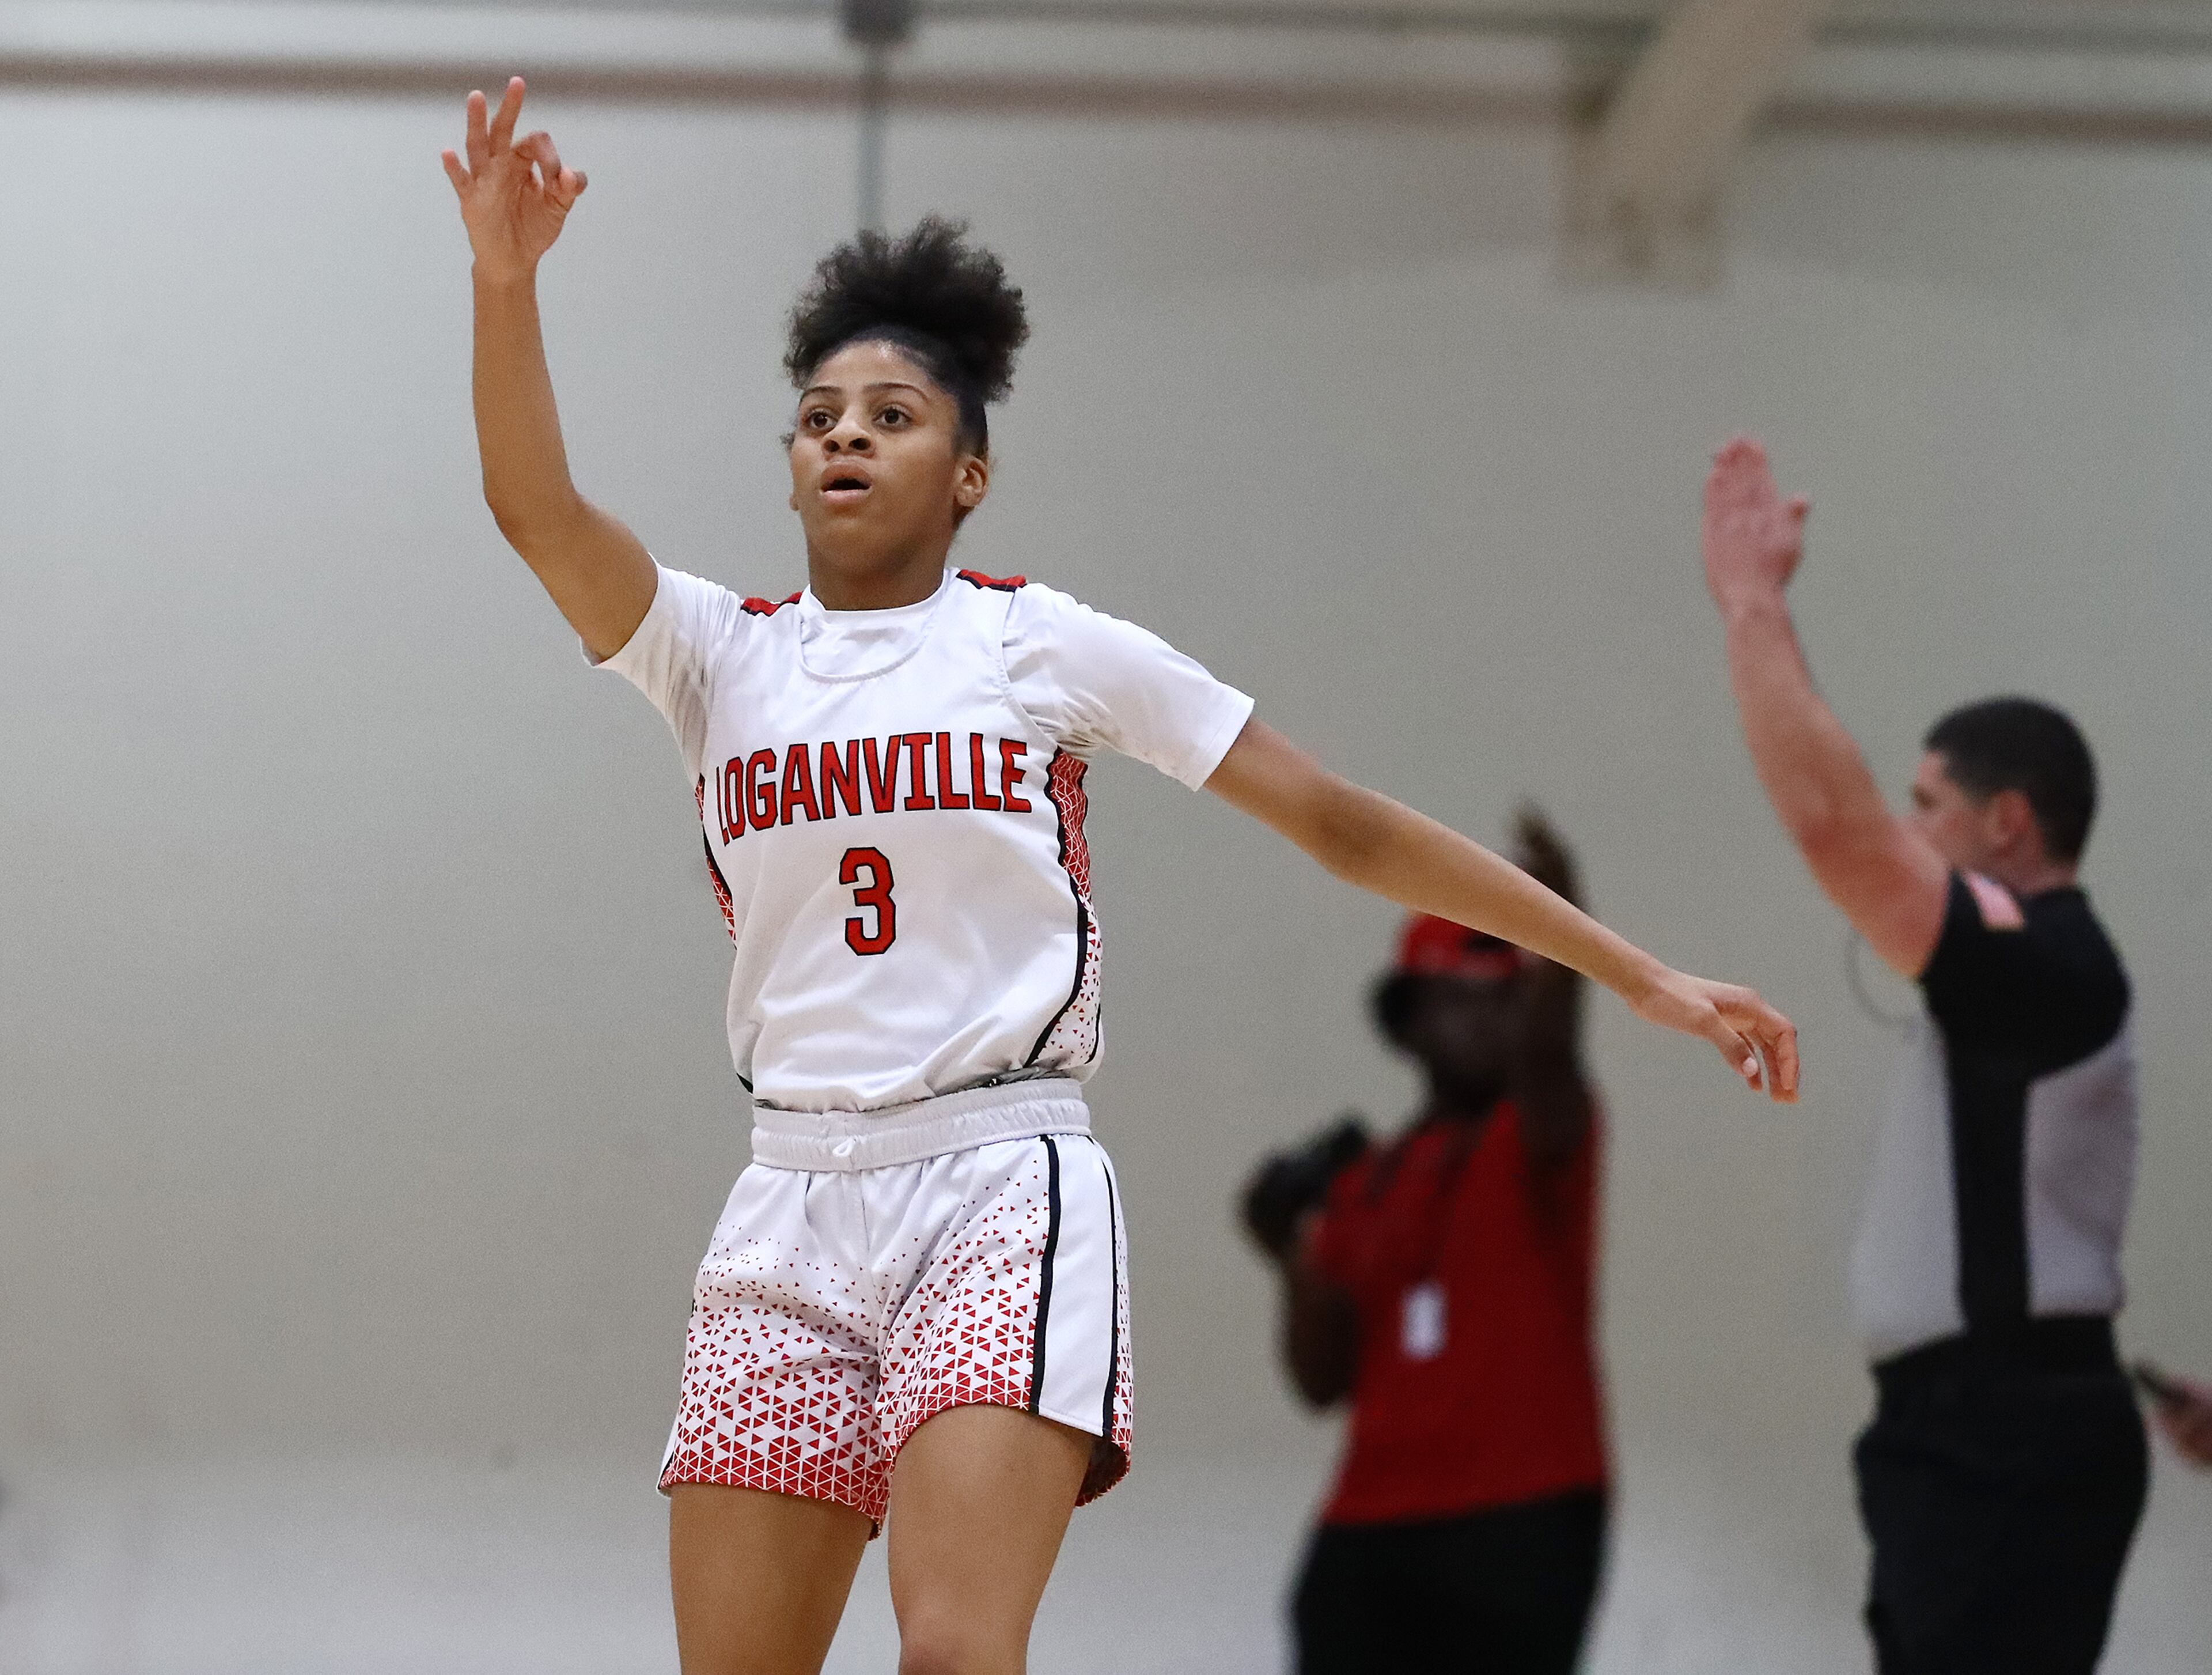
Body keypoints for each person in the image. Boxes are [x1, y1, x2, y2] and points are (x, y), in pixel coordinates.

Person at [439, 78, 1800, 1675]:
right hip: (787, 1194)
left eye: (893, 415)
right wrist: (505, 282)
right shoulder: (716, 655)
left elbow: (1340, 818)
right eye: (819, 418)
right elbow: (534, 507)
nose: (847, 438)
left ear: (971, 472)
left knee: (952, 1651)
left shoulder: (1037, 642)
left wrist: (1631, 967)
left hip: (996, 1174)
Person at [1700, 437, 2144, 1675]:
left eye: (1929, 802)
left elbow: (1837, 832)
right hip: (1964, 1429)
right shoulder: (2025, 972)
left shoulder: (2050, 960)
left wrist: (1752, 603)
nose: (1906, 828)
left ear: (2009, 823)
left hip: (2007, 1435)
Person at [1242, 810, 1609, 1675]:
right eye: (1462, 999)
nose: (1493, 1023)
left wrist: (1563, 922)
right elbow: (1321, 1381)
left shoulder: (1540, 1136)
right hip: (1369, 1520)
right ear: (1407, 1023)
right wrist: (1286, 1253)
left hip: (1524, 1510)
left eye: (1509, 1001)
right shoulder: (1367, 1179)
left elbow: (1554, 1055)